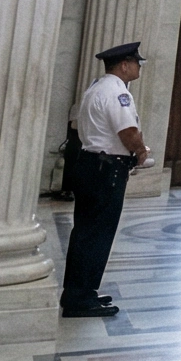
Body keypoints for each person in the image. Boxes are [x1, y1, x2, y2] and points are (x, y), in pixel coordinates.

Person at [63, 41, 147, 319]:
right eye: (136, 62)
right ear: (124, 65)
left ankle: (78, 292)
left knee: (85, 232)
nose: (138, 67)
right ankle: (81, 297)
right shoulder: (117, 92)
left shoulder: (96, 87)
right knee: (97, 235)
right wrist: (141, 151)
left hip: (90, 163)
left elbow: (76, 125)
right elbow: (128, 131)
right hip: (106, 170)